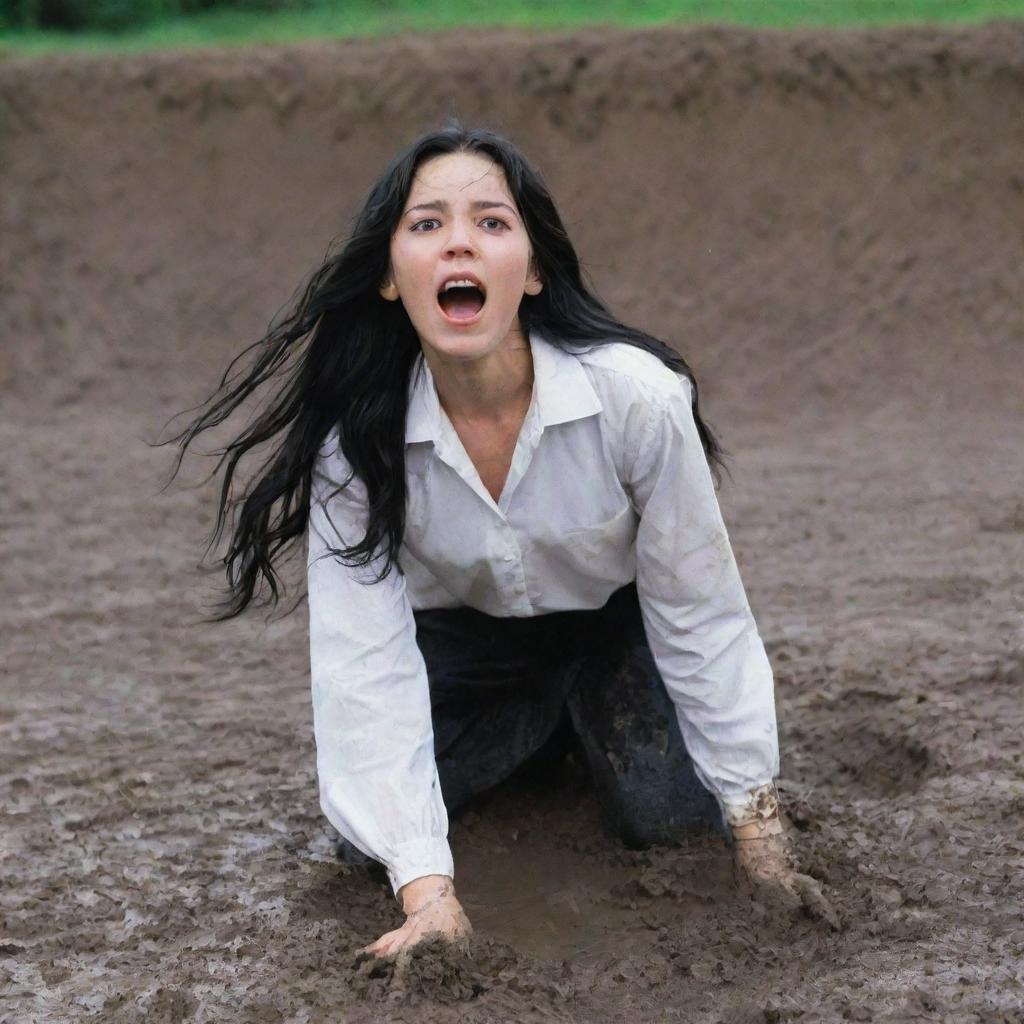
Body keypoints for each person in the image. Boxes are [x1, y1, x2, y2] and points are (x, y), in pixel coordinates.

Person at [173, 121, 836, 960]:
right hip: (467, 640)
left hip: (615, 626)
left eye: (491, 222)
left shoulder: (640, 400)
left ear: (533, 269)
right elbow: (363, 663)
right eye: (426, 225)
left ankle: (576, 717)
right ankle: (550, 722)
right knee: (365, 846)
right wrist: (428, 894)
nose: (460, 243)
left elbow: (701, 610)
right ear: (387, 277)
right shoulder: (357, 443)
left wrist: (762, 839)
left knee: (668, 819)